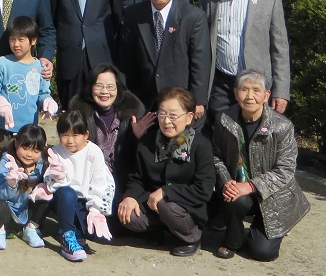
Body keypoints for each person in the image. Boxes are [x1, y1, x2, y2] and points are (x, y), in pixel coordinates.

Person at [210, 70, 309, 261]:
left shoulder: (282, 126)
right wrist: (226, 181)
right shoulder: (224, 119)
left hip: (274, 195)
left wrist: (250, 185)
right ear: (235, 92)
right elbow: (216, 156)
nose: (250, 96)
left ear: (266, 96)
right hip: (239, 188)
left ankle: (265, 231)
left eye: (256, 90)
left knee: (262, 253)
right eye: (244, 89)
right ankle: (232, 241)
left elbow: (285, 170)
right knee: (232, 195)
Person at [199, 0, 291, 124]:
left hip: (256, 85)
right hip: (221, 83)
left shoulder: (269, 0)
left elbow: (280, 49)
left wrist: (281, 91)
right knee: (222, 132)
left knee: (256, 135)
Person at [118, 87, 215, 257]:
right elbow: (137, 178)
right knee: (128, 214)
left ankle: (191, 237)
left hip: (186, 208)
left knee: (167, 205)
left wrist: (166, 191)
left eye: (173, 115)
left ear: (189, 117)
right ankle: (160, 230)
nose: (166, 121)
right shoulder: (148, 141)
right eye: (162, 114)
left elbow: (204, 190)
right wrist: (130, 197)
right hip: (153, 205)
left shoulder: (201, 146)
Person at [118, 0, 211, 116]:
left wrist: (199, 100)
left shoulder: (193, 16)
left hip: (181, 100)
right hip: (145, 100)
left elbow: (200, 62)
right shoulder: (133, 15)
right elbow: (127, 60)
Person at [32, 110, 116, 263]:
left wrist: (96, 210)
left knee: (93, 232)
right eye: (65, 135)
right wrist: (57, 177)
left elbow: (100, 182)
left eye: (75, 135)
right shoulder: (56, 151)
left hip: (84, 201)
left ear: (86, 134)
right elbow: (49, 183)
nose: (70, 140)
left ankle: (77, 232)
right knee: (68, 193)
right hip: (63, 199)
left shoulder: (94, 152)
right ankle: (67, 235)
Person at [68, 63, 152, 190]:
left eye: (110, 86)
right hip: (88, 183)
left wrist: (137, 138)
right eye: (99, 86)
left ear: (118, 88)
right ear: (91, 87)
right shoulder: (78, 116)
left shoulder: (133, 116)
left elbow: (142, 161)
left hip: (124, 183)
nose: (104, 91)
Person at [0, 16, 58, 156]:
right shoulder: (2, 63)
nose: (16, 44)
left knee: (26, 164)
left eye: (21, 39)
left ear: (33, 41)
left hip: (28, 128)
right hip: (2, 128)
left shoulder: (39, 67)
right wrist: (0, 100)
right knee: (1, 163)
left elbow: (42, 93)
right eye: (12, 39)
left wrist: (48, 101)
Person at [0, 125, 47, 250]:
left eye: (36, 151)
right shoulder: (7, 161)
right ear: (16, 143)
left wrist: (57, 180)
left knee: (48, 194)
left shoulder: (42, 162)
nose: (29, 154)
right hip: (7, 210)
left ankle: (31, 228)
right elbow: (0, 195)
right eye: (25, 148)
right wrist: (10, 184)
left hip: (25, 209)